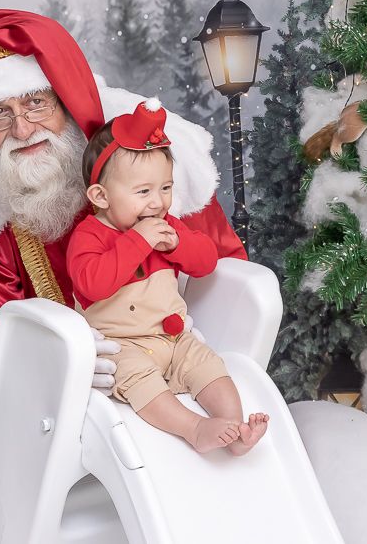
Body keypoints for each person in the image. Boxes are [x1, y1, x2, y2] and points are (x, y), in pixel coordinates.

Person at [0, 10, 245, 391]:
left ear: (65, 101)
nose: (21, 129)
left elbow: (225, 270)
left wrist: (192, 339)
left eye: (36, 102)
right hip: (61, 407)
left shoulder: (146, 163)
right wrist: (53, 365)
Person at [68, 99, 269, 454]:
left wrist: (178, 244)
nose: (158, 202)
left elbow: (206, 262)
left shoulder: (166, 227)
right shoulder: (89, 236)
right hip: (121, 345)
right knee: (137, 380)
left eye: (165, 188)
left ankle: (236, 430)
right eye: (143, 191)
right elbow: (92, 284)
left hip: (173, 337)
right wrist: (136, 242)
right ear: (101, 196)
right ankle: (195, 428)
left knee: (208, 363)